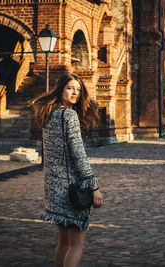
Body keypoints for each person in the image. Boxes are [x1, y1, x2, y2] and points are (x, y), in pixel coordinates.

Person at [30, 73, 103, 267]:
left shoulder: (49, 113)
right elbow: (78, 154)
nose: (75, 93)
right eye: (70, 88)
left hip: (53, 188)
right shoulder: (68, 115)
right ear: (61, 88)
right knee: (76, 244)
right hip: (72, 188)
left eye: (78, 90)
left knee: (63, 241)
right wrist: (94, 186)